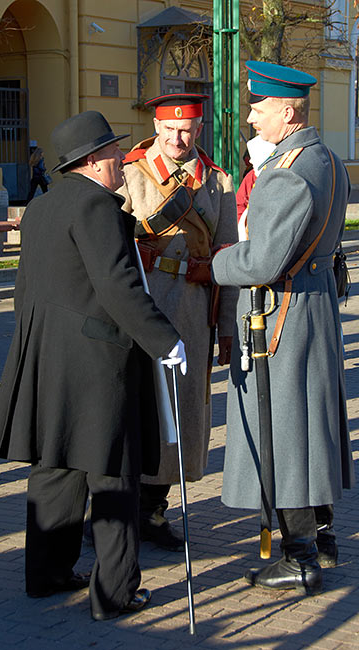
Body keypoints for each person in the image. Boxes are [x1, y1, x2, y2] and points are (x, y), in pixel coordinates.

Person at [0, 111, 185, 621]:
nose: (122, 160)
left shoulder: (43, 206)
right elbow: (119, 285)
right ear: (93, 161)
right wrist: (164, 339)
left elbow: (26, 288)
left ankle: (46, 574)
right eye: (115, 152)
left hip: (49, 355)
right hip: (97, 360)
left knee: (55, 467)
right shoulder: (97, 206)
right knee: (112, 472)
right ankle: (115, 594)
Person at [212, 61, 355, 595]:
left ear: (288, 113)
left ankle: (299, 557)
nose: (251, 118)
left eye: (259, 108)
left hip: (282, 317)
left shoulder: (286, 171)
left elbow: (263, 261)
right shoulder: (328, 159)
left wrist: (217, 262)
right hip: (313, 305)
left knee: (289, 433)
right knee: (312, 426)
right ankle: (321, 539)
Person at [119, 93, 238, 551]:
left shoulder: (218, 182)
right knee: (136, 407)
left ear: (199, 128)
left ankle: (154, 509)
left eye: (186, 130)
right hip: (142, 308)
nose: (177, 138)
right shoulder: (131, 173)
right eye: (168, 129)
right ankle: (117, 510)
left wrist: (225, 327)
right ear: (156, 125)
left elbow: (227, 258)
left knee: (182, 412)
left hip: (191, 312)